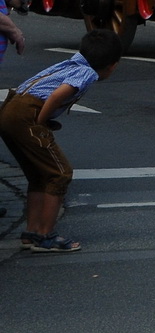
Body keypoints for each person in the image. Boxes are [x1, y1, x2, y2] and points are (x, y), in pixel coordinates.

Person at [0, 28, 124, 252]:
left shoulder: (72, 63)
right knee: (60, 173)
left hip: (9, 110)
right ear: (113, 65)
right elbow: (58, 95)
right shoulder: (87, 73)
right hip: (26, 115)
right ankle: (46, 236)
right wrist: (41, 121)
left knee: (39, 174)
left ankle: (32, 232)